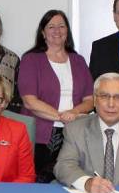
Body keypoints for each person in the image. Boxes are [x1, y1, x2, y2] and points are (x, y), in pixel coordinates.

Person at [18, 10, 94, 183]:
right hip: (41, 134)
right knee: (40, 183)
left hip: (74, 132)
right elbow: (29, 101)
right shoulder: (31, 59)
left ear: (67, 30)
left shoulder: (78, 60)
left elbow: (90, 100)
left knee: (72, 182)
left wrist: (73, 113)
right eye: (51, 26)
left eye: (61, 26)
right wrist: (62, 116)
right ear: (43, 32)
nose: (57, 30)